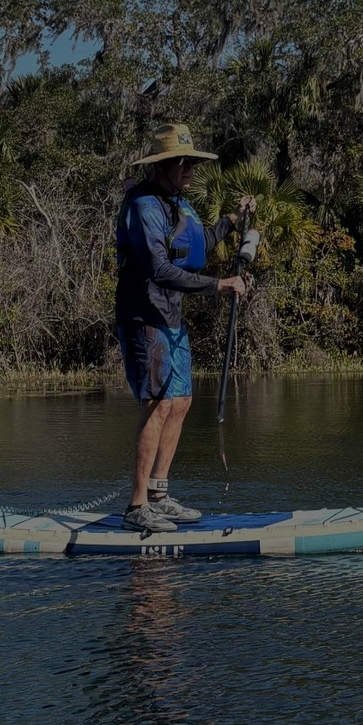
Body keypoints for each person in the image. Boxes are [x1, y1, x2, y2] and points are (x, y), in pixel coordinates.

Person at [114, 122, 254, 533]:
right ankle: (136, 507)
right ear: (163, 165)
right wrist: (218, 286)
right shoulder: (143, 206)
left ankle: (158, 494)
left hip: (171, 317)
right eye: (185, 163)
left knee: (181, 401)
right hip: (144, 317)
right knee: (156, 405)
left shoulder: (178, 204)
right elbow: (157, 268)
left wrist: (233, 220)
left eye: (193, 162)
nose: (192, 170)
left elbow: (199, 245)